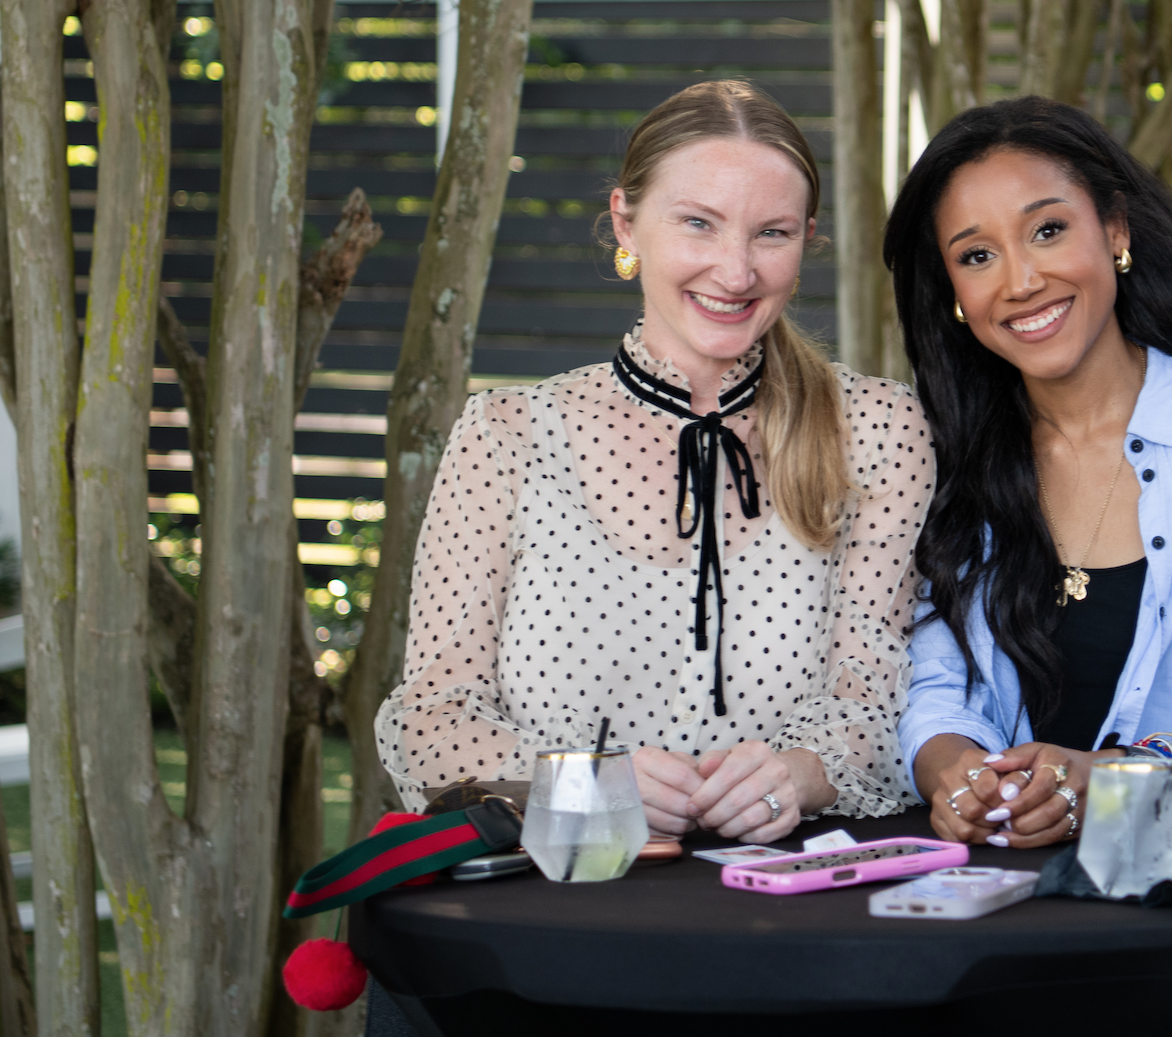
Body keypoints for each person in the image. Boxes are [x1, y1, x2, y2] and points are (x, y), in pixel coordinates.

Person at [376, 80, 934, 842]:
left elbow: (879, 704)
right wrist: (578, 785)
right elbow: (430, 721)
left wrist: (801, 774)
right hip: (558, 900)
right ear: (625, 224)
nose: (735, 273)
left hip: (787, 901)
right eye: (699, 224)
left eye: (771, 233)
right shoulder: (507, 433)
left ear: (808, 240)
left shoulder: (878, 428)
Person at [885, 96, 1172, 849]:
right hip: (986, 889)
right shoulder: (938, 452)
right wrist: (959, 776)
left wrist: (1113, 780)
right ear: (953, 296)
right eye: (977, 255)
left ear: (1115, 230)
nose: (1021, 280)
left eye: (1048, 230)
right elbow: (935, 690)